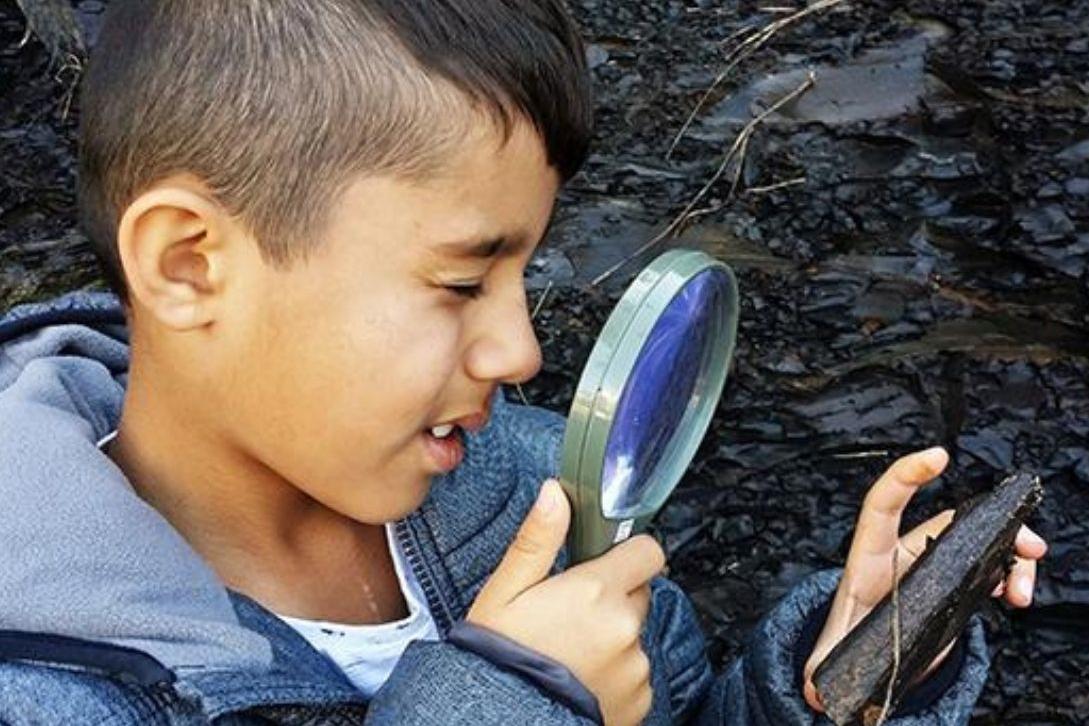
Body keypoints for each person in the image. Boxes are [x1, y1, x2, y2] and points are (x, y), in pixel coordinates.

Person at [0, 1, 1046, 723]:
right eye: (462, 283)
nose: (523, 352)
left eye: (525, 277)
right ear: (189, 266)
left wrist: (835, 688)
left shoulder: (544, 499)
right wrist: (505, 703)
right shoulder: (47, 684)